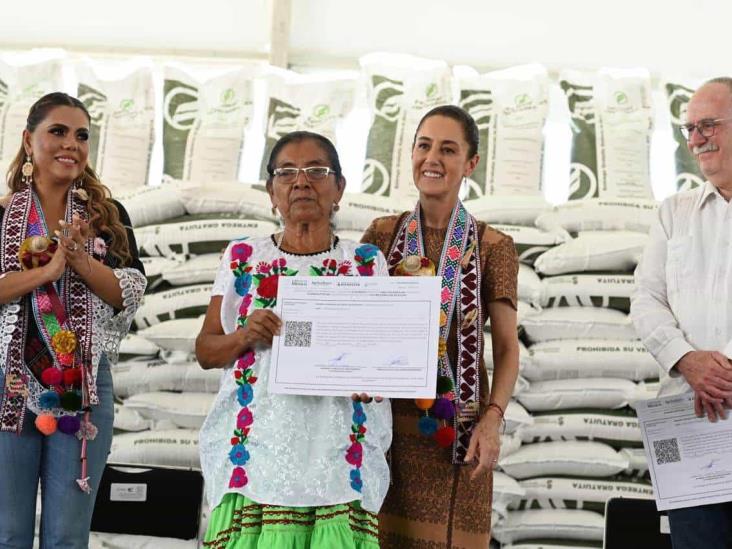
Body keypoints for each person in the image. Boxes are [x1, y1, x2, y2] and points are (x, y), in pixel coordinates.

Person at [196, 130, 392, 548]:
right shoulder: (243, 258)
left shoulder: (364, 263)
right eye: (286, 172)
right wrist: (246, 335)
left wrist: (375, 376)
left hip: (336, 455)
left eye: (317, 171)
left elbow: (382, 359)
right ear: (271, 191)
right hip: (258, 452)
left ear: (339, 188)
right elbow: (206, 350)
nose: (301, 182)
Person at [361, 105, 520, 548]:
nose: (432, 158)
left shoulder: (494, 246)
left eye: (448, 150)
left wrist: (492, 421)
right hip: (385, 433)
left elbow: (508, 348)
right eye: (424, 145)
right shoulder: (380, 236)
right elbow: (357, 324)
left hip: (458, 434)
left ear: (471, 164)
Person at [0, 92, 146, 548]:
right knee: (7, 532)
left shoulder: (107, 217)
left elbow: (130, 292)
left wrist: (80, 260)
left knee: (66, 534)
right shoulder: (1, 215)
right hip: (8, 384)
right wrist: (45, 273)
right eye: (57, 132)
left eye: (82, 135)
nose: (72, 144)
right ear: (28, 140)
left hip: (81, 388)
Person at [631, 77, 732, 549]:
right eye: (689, 128)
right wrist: (689, 361)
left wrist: (723, 369)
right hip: (693, 426)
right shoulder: (674, 213)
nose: (695, 140)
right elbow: (646, 300)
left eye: (707, 125)